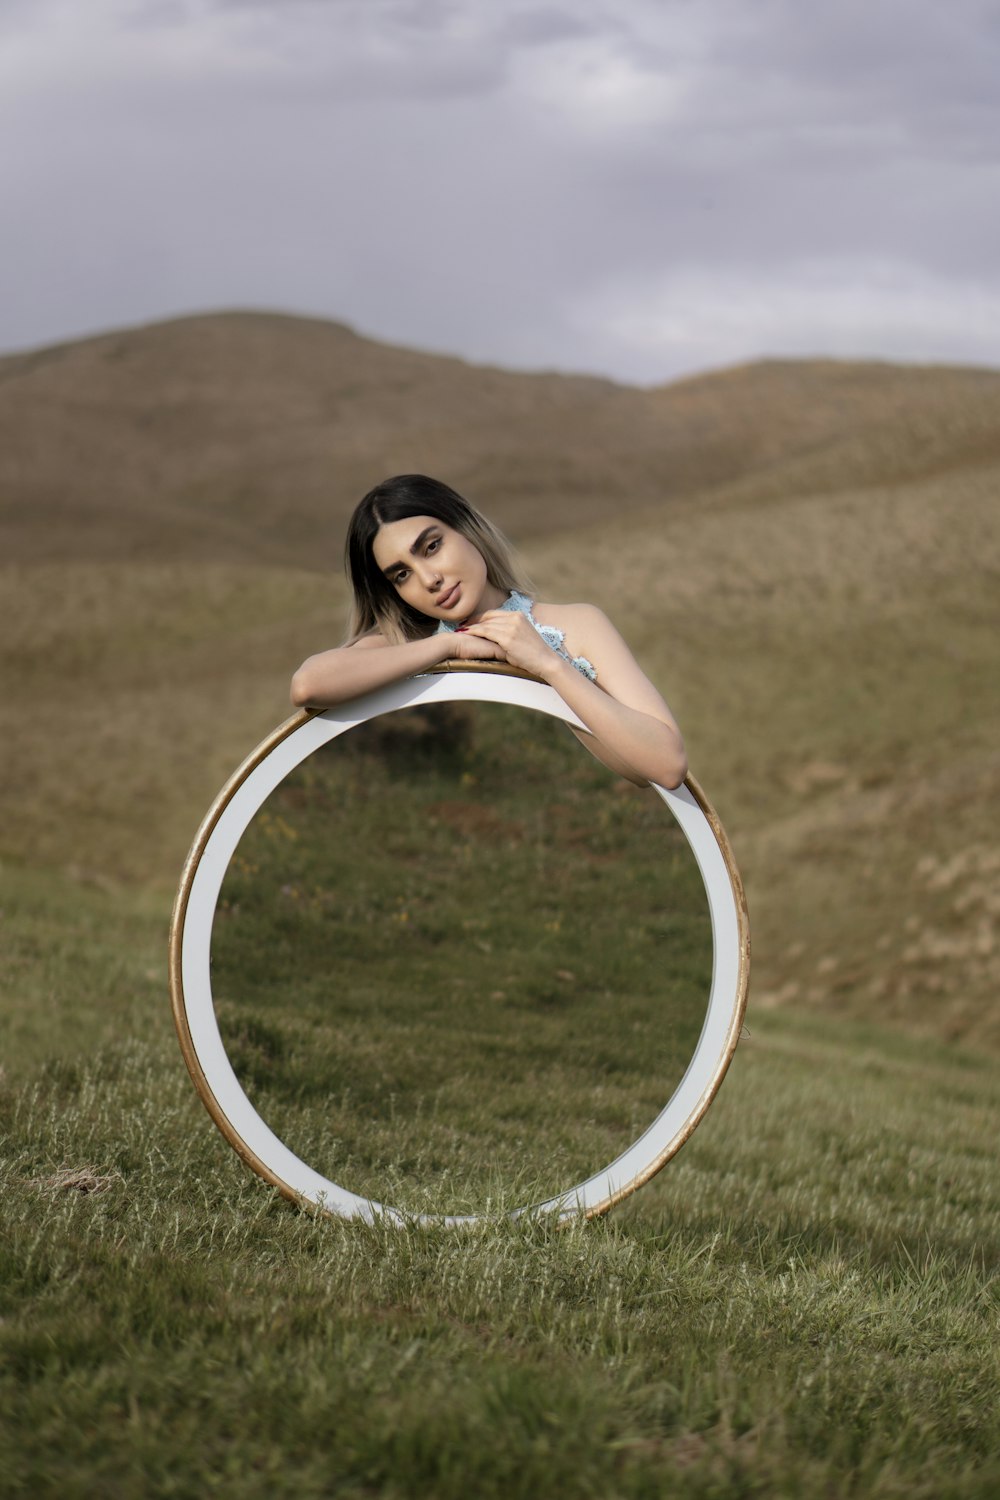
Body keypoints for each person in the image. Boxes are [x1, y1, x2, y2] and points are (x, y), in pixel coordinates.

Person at [290, 475, 687, 789]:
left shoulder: (578, 625)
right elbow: (307, 685)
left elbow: (667, 766)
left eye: (431, 547)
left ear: (465, 528)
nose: (429, 579)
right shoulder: (405, 648)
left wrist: (548, 665)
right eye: (401, 574)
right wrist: (452, 643)